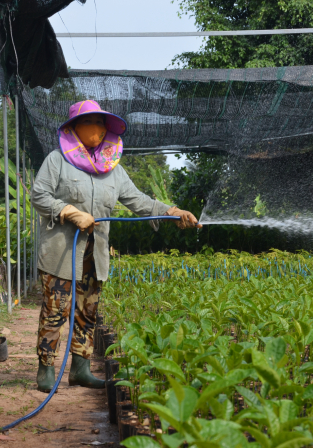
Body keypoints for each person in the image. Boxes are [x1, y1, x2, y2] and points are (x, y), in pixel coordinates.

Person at [31, 100, 200, 391]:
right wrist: (70, 212)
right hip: (61, 253)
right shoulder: (57, 161)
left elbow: (140, 201)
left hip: (94, 255)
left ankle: (80, 369)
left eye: (100, 123)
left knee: (87, 311)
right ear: (73, 129)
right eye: (89, 123)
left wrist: (172, 212)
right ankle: (46, 369)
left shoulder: (113, 171)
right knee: (55, 311)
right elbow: (39, 196)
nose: (96, 129)